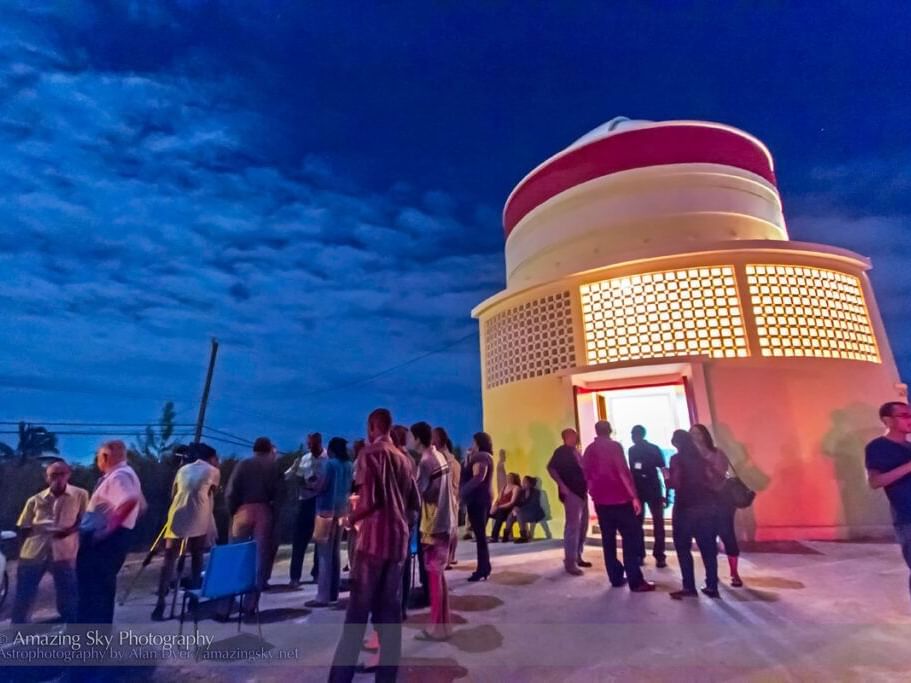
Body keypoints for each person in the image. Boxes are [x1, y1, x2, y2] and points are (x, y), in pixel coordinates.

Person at [329, 408, 420, 683]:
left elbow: (372, 500)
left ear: (372, 426)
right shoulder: (404, 459)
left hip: (372, 542)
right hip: (397, 541)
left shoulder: (369, 454)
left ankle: (340, 678)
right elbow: (414, 503)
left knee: (357, 613)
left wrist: (350, 518)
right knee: (389, 614)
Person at [77, 439, 146, 624]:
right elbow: (142, 506)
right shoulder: (128, 474)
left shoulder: (119, 476)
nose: (97, 461)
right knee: (100, 592)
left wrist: (106, 531)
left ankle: (88, 644)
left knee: (93, 593)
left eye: (98, 456)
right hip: (114, 540)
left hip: (103, 543)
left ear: (105, 456)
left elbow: (130, 501)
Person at [582, 421, 655, 593]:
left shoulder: (590, 450)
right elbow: (622, 471)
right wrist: (634, 496)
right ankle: (635, 581)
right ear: (610, 430)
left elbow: (585, 474)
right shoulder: (614, 447)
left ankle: (615, 577)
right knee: (630, 539)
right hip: (620, 499)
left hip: (601, 502)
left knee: (608, 541)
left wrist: (593, 492)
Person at [12, 460, 88, 624]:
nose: (58, 479)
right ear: (47, 478)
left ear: (68, 475)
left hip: (64, 552)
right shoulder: (35, 500)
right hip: (34, 553)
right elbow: (23, 527)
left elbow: (84, 521)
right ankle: (17, 631)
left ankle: (72, 630)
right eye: (54, 475)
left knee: (68, 593)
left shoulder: (80, 495)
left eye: (62, 474)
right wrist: (21, 553)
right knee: (24, 594)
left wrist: (69, 531)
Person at [152, 442, 220, 620]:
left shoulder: (182, 470)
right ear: (210, 458)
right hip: (199, 515)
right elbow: (212, 493)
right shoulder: (213, 471)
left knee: (169, 559)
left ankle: (161, 601)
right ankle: (193, 598)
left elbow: (174, 493)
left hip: (177, 515)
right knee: (197, 557)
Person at [225, 436, 283, 615]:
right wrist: (275, 515)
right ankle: (250, 604)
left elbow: (230, 492)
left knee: (235, 554)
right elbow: (281, 494)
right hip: (264, 510)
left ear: (255, 449)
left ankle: (226, 604)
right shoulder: (274, 467)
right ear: (268, 450)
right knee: (260, 558)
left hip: (243, 510)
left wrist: (232, 510)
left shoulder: (243, 464)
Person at [412, 421, 456, 641]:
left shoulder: (426, 461)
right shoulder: (440, 455)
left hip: (433, 524)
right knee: (439, 576)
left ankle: (436, 628)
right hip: (447, 521)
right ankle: (444, 625)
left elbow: (418, 493)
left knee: (433, 576)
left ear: (418, 438)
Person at [667, 429, 721, 599]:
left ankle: (689, 586)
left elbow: (675, 483)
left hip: (685, 508)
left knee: (683, 548)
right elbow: (713, 481)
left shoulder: (676, 459)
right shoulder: (702, 460)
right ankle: (712, 585)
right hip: (706, 507)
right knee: (708, 549)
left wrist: (666, 477)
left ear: (676, 443)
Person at [865, 401, 911, 600]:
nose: (910, 420)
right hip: (907, 516)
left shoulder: (909, 446)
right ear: (887, 420)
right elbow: (875, 482)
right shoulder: (877, 447)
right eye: (904, 415)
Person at [691, 423, 743, 587]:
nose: (694, 437)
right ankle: (711, 575)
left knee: (727, 535)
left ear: (705, 435)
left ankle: (734, 573)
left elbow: (721, 476)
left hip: (721, 501)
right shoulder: (690, 456)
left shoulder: (717, 453)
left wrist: (706, 467)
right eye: (691, 434)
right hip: (701, 502)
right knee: (705, 539)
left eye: (697, 433)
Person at [306, 437, 354, 608]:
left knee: (324, 554)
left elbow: (322, 485)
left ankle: (323, 596)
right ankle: (334, 591)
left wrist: (310, 485)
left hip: (325, 511)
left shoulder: (330, 464)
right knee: (335, 553)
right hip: (342, 510)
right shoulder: (349, 465)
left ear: (332, 449)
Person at [548, 428, 592, 575]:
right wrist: (562, 485)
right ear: (566, 437)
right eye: (572, 435)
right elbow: (551, 468)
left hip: (582, 492)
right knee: (573, 527)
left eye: (576, 435)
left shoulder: (576, 452)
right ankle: (570, 562)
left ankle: (578, 555)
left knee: (583, 525)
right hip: (572, 492)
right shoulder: (562, 452)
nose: (575, 438)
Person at [285, 432, 327, 588]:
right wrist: (297, 475)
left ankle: (316, 573)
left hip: (319, 502)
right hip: (304, 501)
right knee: (299, 541)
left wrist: (313, 484)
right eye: (309, 444)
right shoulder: (304, 459)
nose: (311, 447)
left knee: (319, 540)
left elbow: (323, 481)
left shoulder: (327, 459)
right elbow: (291, 477)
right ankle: (294, 576)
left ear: (320, 443)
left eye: (313, 444)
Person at [629, 425, 668, 568]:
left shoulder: (639, 449)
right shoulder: (649, 448)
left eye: (633, 434)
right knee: (655, 523)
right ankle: (657, 556)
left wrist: (667, 492)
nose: (632, 437)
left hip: (645, 488)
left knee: (644, 523)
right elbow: (663, 470)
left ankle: (644, 555)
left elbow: (663, 469)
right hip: (649, 488)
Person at [461, 432, 494, 582]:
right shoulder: (487, 456)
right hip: (484, 499)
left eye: (473, 442)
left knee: (480, 537)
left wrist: (461, 493)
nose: (471, 444)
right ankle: (484, 567)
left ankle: (482, 569)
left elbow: (478, 477)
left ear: (478, 442)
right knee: (481, 536)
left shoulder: (481, 457)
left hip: (477, 500)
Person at [432, 426, 461, 568]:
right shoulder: (454, 461)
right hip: (454, 499)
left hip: (445, 501)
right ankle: (451, 557)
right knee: (453, 528)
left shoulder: (441, 459)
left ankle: (446, 559)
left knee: (446, 530)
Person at [511, 476, 549, 543]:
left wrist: (520, 509)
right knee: (512, 515)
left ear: (530, 483)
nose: (523, 483)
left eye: (525, 481)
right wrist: (515, 507)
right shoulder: (521, 492)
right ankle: (507, 535)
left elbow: (533, 504)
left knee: (520, 514)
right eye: (523, 481)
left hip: (535, 512)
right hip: (524, 512)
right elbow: (518, 502)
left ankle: (524, 536)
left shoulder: (536, 492)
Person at [489, 472, 522, 542]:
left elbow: (512, 502)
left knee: (500, 514)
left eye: (510, 477)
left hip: (508, 509)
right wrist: (494, 506)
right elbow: (498, 500)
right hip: (500, 508)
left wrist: (499, 507)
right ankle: (479, 534)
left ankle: (494, 536)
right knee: (486, 512)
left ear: (514, 479)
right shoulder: (504, 487)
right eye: (507, 477)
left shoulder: (516, 488)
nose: (508, 479)